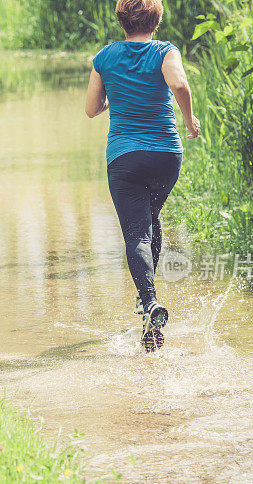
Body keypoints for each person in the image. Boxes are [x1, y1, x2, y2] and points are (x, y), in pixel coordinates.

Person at [84, 0, 200, 351]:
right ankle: (150, 313)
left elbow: (91, 109)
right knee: (150, 217)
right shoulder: (166, 51)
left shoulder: (104, 57)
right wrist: (189, 119)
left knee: (137, 231)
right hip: (166, 155)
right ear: (157, 19)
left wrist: (111, 100)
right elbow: (179, 85)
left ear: (121, 19)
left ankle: (148, 303)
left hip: (125, 157)